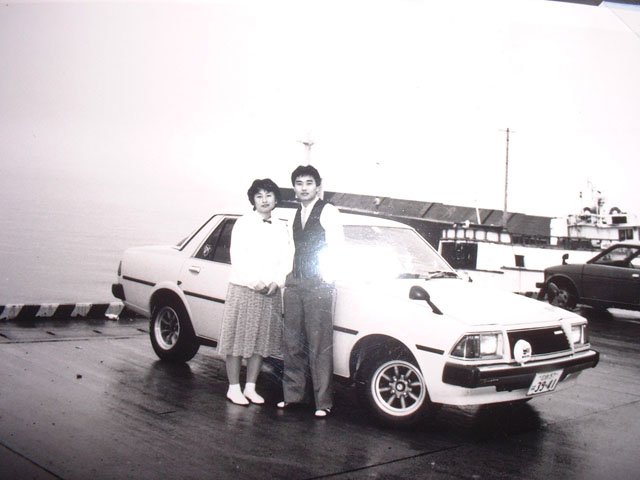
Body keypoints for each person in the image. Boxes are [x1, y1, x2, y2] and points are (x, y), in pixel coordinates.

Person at [218, 178, 292, 406]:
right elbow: (238, 257)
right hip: (244, 289)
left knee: (261, 340)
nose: (264, 200)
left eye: (268, 195)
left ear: (276, 199)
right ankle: (233, 388)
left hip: (270, 292)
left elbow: (288, 257)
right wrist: (254, 282)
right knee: (237, 340)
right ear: (253, 200)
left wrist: (277, 281)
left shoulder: (281, 226)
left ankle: (250, 387)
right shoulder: (243, 223)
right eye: (259, 196)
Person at [278, 165, 344, 418]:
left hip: (317, 285)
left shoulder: (328, 211)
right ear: (294, 187)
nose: (304, 188)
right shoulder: (295, 213)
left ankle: (322, 403)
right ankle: (293, 396)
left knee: (319, 344)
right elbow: (290, 249)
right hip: (295, 283)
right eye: (299, 183)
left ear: (318, 186)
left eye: (308, 183)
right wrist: (286, 278)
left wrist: (326, 279)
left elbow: (336, 248)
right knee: (292, 343)